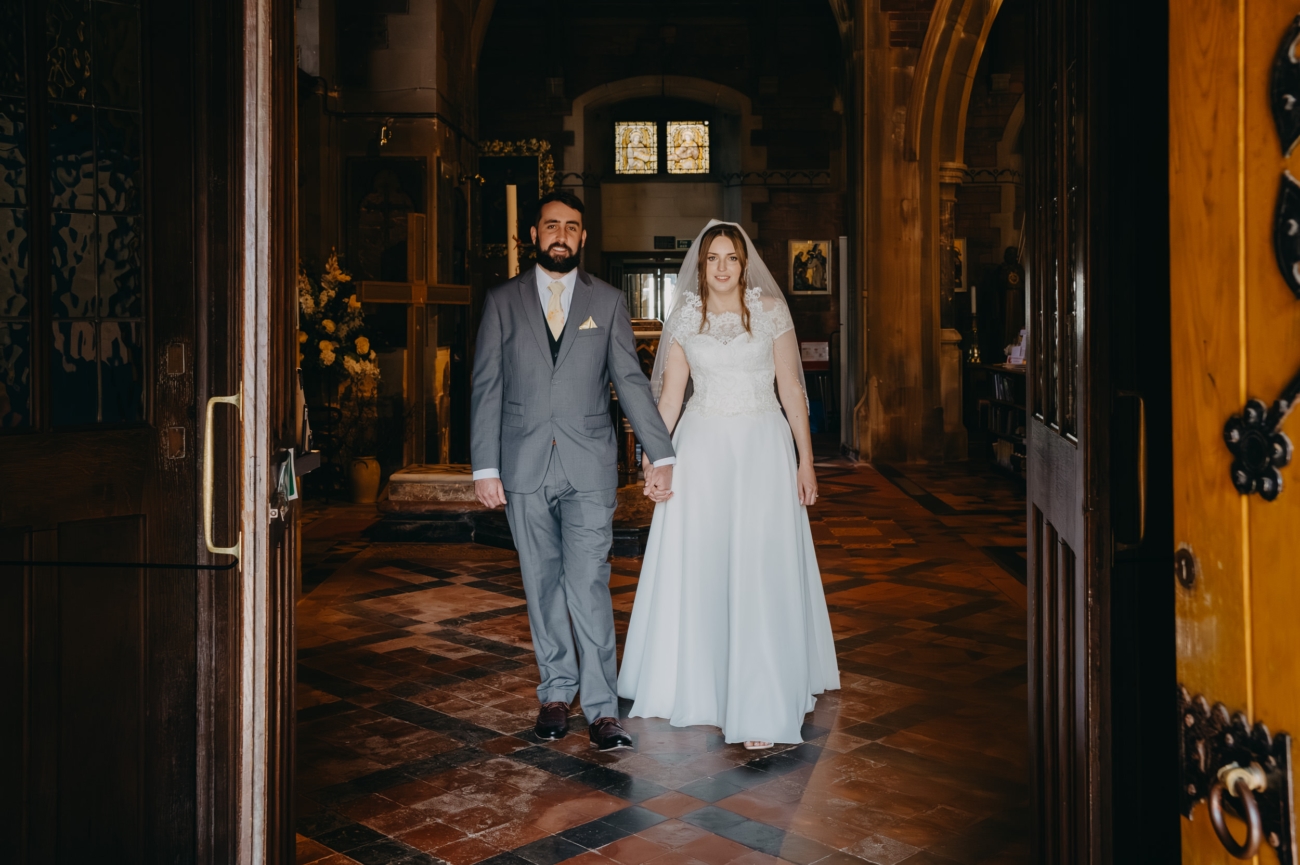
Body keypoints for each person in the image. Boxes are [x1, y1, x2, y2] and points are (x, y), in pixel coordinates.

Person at [617, 220, 840, 749]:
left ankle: (760, 696)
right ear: (701, 265)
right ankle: (700, 684)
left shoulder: (769, 311)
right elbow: (669, 399)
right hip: (702, 453)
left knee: (758, 564)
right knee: (705, 561)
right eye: (713, 258)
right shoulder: (686, 316)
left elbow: (791, 390)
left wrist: (806, 461)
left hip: (762, 450)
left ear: (744, 264)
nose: (721, 268)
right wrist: (655, 459)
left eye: (731, 259)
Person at [470, 190, 677, 751]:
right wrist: (485, 466)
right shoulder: (502, 302)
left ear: (583, 238)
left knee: (588, 583)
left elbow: (630, 381)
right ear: (534, 236)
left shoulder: (606, 302)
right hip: (522, 465)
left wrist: (661, 452)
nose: (561, 235)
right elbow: (486, 387)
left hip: (588, 467)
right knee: (541, 585)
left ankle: (603, 708)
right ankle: (557, 694)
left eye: (572, 227)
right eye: (551, 225)